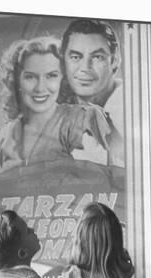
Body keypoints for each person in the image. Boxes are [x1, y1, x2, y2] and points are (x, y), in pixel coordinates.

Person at [0, 36, 116, 170]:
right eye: (30, 77)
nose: (40, 88)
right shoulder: (5, 136)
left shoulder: (82, 120)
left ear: (63, 79)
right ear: (17, 81)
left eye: (51, 76)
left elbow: (100, 182)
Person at [60, 19, 124, 167]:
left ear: (114, 61)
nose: (85, 68)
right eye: (76, 57)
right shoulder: (58, 111)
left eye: (97, 57)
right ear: (64, 62)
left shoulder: (130, 109)